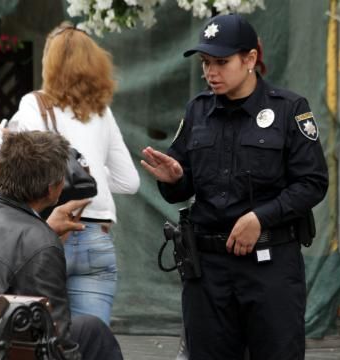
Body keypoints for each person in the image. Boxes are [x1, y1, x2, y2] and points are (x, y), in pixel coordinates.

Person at [141, 14, 329, 360]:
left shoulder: (289, 109)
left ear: (250, 60)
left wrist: (261, 218)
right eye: (206, 63)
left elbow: (313, 183)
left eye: (221, 62)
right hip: (208, 272)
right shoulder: (198, 112)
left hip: (269, 267)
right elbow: (183, 186)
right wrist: (174, 180)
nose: (210, 72)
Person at [0, 21, 140, 326]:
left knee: (45, 343)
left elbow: (13, 160)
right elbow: (129, 182)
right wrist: (89, 171)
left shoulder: (34, 103)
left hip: (50, 234)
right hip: (96, 239)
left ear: (49, 63)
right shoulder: (101, 111)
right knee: (91, 341)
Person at [0, 131, 123, 360]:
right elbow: (56, 341)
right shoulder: (42, 242)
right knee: (94, 331)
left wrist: (44, 231)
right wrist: (45, 235)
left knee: (89, 327)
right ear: (52, 188)